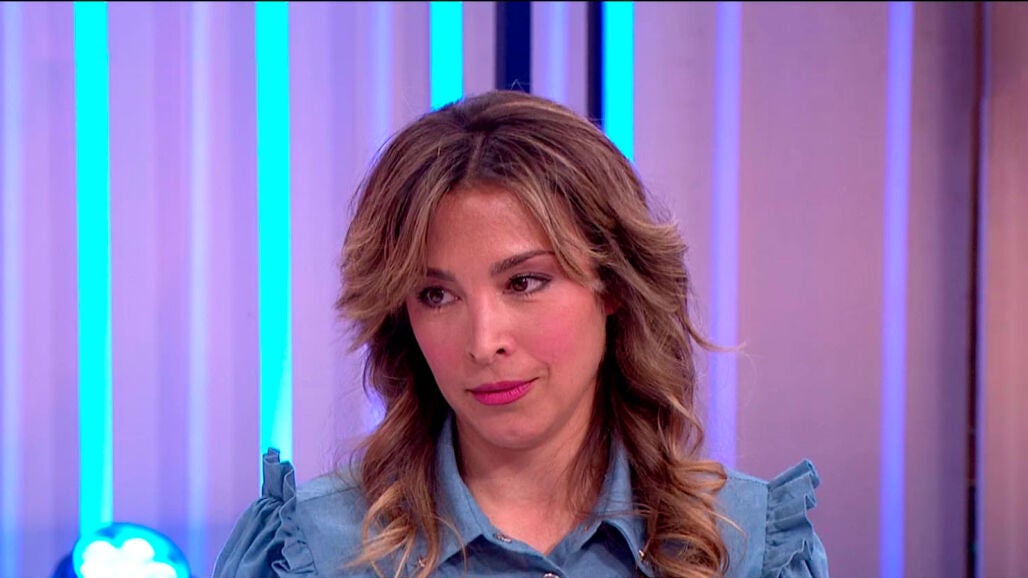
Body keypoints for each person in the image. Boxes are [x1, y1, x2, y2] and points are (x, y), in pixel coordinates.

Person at [213, 90, 829, 578]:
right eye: (436, 295)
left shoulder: (746, 545)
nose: (484, 343)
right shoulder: (315, 550)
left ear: (612, 285)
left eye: (525, 282)